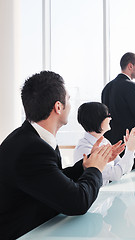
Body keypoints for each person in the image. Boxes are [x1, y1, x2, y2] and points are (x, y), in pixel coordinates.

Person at [0, 71, 124, 239]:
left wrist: (87, 164)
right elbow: (77, 203)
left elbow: (51, 179)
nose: (71, 105)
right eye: (69, 99)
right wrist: (95, 169)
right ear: (58, 107)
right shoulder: (31, 148)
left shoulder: (32, 138)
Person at [73, 102, 135, 185]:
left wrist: (129, 148)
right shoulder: (84, 148)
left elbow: (125, 170)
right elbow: (115, 174)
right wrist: (131, 150)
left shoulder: (104, 141)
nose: (110, 118)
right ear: (98, 119)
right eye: (108, 115)